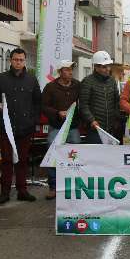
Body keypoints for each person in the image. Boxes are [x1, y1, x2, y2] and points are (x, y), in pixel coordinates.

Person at [0, 48, 41, 204]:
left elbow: (38, 102)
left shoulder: (32, 79)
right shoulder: (1, 78)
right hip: (6, 127)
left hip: (25, 128)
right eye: (15, 59)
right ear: (10, 61)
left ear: (25, 61)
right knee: (6, 160)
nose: (18, 62)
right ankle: (4, 192)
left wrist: (34, 120)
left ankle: (22, 190)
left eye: (21, 60)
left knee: (23, 160)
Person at [41, 60, 80, 200]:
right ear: (59, 72)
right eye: (67, 69)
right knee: (52, 155)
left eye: (71, 69)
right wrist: (57, 112)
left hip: (73, 128)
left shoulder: (77, 85)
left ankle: (74, 185)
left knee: (75, 157)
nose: (70, 72)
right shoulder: (50, 87)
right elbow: (44, 107)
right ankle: (53, 187)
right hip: (56, 128)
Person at [79, 51, 121, 144]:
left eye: (108, 66)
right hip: (95, 128)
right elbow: (83, 105)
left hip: (110, 128)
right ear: (96, 67)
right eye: (104, 67)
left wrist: (116, 119)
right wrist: (91, 120)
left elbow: (117, 101)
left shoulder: (112, 81)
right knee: (94, 156)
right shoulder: (87, 81)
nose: (107, 69)